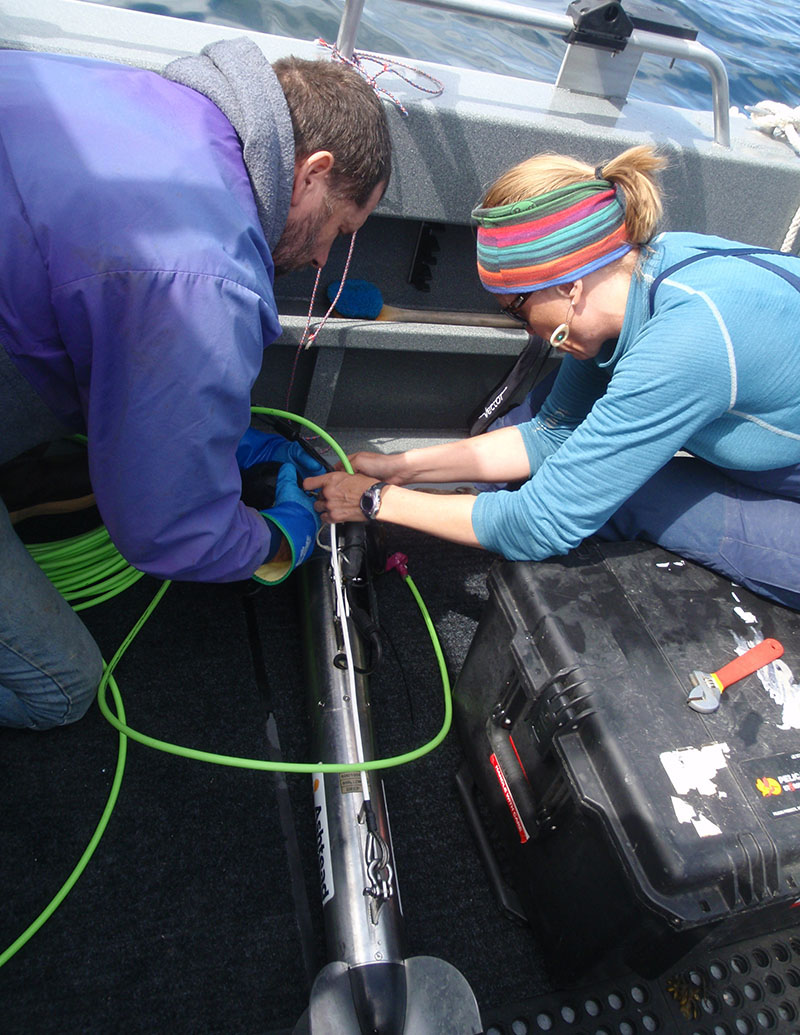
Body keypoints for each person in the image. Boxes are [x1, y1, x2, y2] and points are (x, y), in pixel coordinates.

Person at [0, 38, 392, 729]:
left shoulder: (140, 96)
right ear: (313, 171)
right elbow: (165, 528)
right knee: (59, 688)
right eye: (338, 227)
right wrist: (279, 542)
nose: (323, 256)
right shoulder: (204, 275)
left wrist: (219, 438)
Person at [307, 144, 800, 612]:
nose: (529, 330)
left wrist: (374, 501)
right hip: (771, 455)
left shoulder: (686, 346)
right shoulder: (634, 271)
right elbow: (552, 434)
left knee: (631, 496)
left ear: (568, 284)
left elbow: (540, 525)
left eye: (518, 311)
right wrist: (399, 468)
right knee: (559, 442)